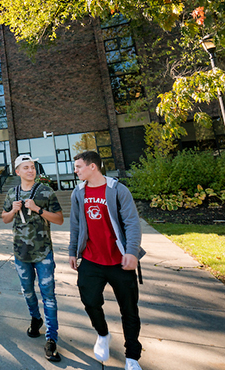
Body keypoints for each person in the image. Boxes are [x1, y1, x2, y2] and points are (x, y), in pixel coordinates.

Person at [69, 151, 145, 370]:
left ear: (93, 167)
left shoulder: (118, 190)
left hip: (120, 260)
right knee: (90, 301)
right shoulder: (78, 193)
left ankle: (132, 357)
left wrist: (131, 252)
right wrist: (72, 251)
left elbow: (132, 222)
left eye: (78, 166)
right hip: (91, 260)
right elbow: (75, 224)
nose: (76, 171)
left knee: (129, 310)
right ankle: (103, 334)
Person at [1, 154, 64, 362]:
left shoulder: (46, 191)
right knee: (27, 292)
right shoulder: (12, 193)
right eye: (26, 168)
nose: (31, 170)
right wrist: (13, 209)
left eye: (33, 167)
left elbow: (60, 219)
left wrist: (38, 209)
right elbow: (4, 218)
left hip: (43, 252)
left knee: (49, 295)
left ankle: (51, 338)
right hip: (21, 253)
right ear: (17, 171)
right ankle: (36, 318)